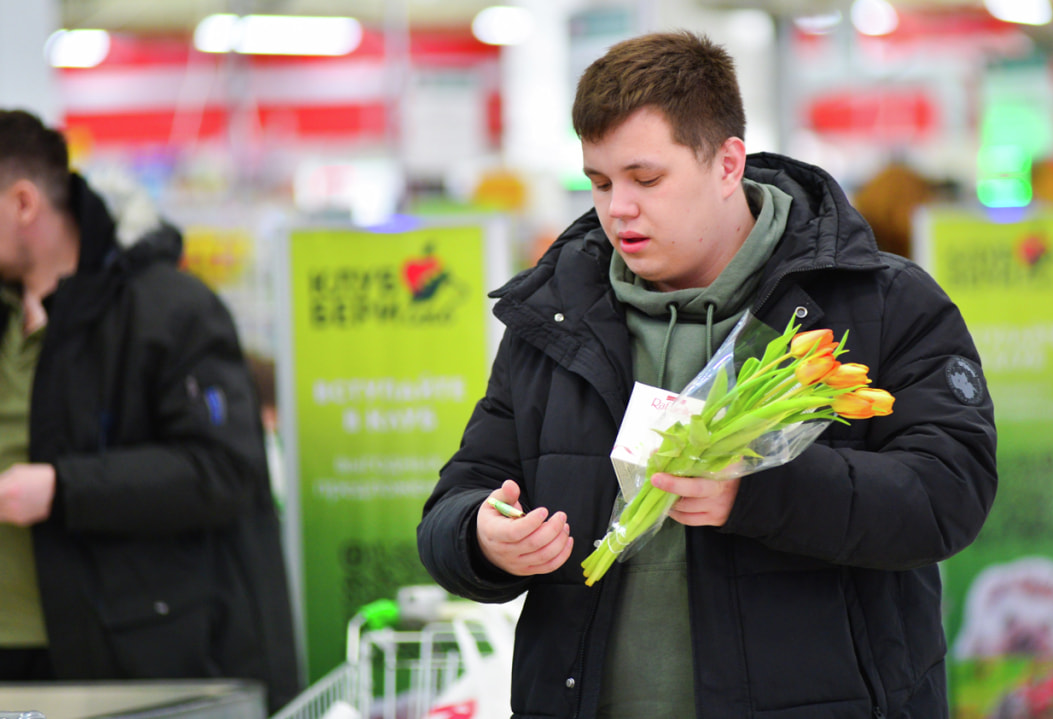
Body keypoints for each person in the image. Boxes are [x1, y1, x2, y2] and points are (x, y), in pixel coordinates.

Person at [418, 32, 996, 719]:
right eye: (599, 182)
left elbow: (949, 493)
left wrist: (757, 491)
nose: (617, 208)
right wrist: (482, 537)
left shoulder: (881, 303)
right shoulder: (554, 321)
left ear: (727, 164)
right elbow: (455, 501)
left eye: (646, 178)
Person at [0, 109, 299, 711]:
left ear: (24, 203)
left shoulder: (168, 310)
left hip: (113, 661)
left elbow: (224, 469)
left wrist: (63, 488)